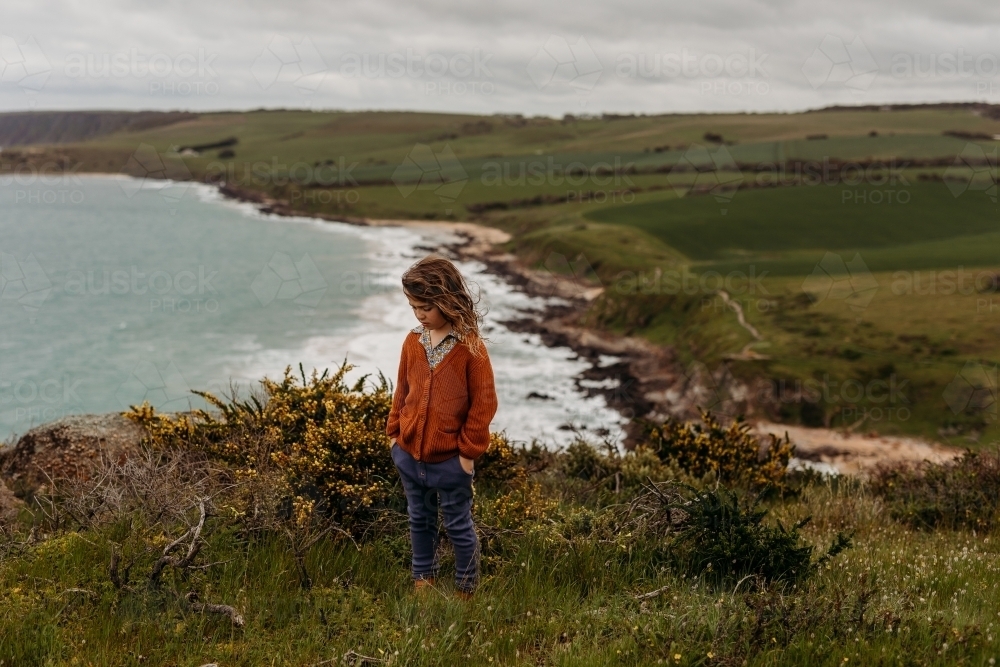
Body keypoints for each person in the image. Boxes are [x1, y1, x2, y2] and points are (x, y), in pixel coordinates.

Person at [385, 255, 498, 600]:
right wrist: (393, 434)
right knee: (419, 520)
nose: (419, 314)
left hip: (450, 461)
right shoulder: (412, 341)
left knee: (458, 526)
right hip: (409, 454)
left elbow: (484, 403)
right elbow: (402, 389)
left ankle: (465, 588)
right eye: (413, 306)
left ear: (447, 300)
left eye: (425, 307)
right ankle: (424, 578)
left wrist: (467, 454)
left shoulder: (470, 348)